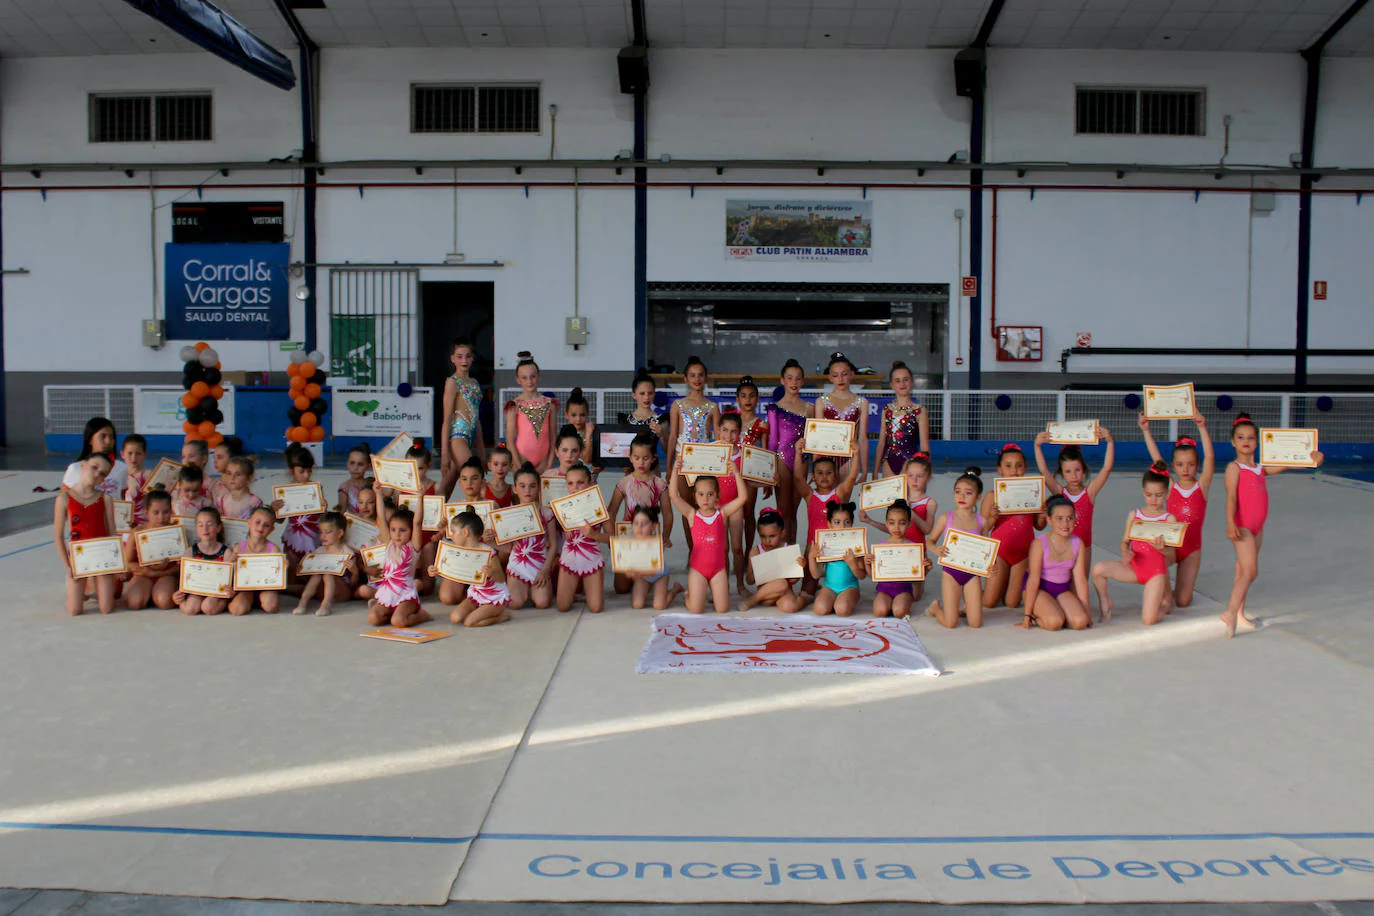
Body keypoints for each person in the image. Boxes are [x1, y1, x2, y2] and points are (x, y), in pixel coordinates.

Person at [1221, 412, 1323, 637]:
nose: (1246, 442)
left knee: (1242, 571)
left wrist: (1312, 459)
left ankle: (1239, 614)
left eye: (1250, 438)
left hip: (1258, 528)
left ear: (1257, 442)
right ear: (1233, 441)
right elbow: (1231, 497)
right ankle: (1229, 612)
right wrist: (1230, 523)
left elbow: (1286, 464)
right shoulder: (1234, 468)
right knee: (1250, 570)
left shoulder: (1259, 468)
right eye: (1241, 437)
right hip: (1243, 526)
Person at [1141, 409, 1215, 609]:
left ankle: (1170, 591)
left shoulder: (1202, 486)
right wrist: (1146, 431)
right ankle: (1160, 590)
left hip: (1191, 550)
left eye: (1191, 464)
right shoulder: (1171, 486)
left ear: (1197, 465)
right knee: (1164, 593)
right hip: (1170, 546)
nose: (1186, 469)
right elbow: (1156, 457)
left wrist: (1202, 427)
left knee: (1182, 601)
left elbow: (1210, 458)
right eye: (1180, 464)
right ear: (1173, 466)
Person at [1091, 462, 1179, 626]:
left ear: (1167, 493)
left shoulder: (1169, 519)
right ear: (1143, 492)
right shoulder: (1134, 515)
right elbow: (1124, 543)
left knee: (1148, 620)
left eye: (1159, 495)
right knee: (1098, 569)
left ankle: (1166, 604)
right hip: (1135, 568)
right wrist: (1125, 552)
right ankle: (1106, 602)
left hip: (1156, 572)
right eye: (1149, 494)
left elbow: (1172, 555)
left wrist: (1163, 549)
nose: (1153, 499)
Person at [667, 451, 750, 614]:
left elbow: (743, 498)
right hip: (698, 570)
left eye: (710, 494)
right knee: (696, 609)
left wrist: (736, 473)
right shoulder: (692, 515)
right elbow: (674, 496)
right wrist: (675, 471)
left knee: (722, 609)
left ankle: (708, 589)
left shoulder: (722, 514)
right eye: (701, 494)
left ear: (717, 496)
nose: (705, 499)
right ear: (695, 496)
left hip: (718, 570)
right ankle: (684, 592)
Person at [1033, 424, 1115, 579]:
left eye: (1077, 470)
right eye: (1068, 472)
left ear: (1083, 469)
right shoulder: (1060, 492)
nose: (1074, 476)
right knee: (1064, 583)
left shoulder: (1089, 492)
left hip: (1085, 546)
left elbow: (1106, 469)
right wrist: (1037, 446)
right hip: (1064, 546)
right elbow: (1044, 471)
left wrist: (1110, 442)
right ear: (1062, 473)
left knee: (1081, 582)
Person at [791, 441, 861, 601]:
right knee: (805, 594)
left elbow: (851, 477)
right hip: (814, 547)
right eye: (820, 473)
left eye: (829, 473)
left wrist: (856, 455)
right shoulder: (810, 495)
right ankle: (813, 587)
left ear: (835, 475)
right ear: (813, 476)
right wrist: (798, 453)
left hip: (837, 548)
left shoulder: (840, 493)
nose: (824, 477)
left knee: (838, 580)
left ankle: (835, 588)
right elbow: (797, 477)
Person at [924, 467, 992, 629]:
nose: (961, 496)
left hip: (971, 574)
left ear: (978, 497)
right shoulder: (946, 517)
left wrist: (989, 564)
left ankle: (966, 607)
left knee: (975, 623)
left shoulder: (982, 521)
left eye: (968, 493)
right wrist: (936, 549)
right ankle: (935, 608)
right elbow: (930, 541)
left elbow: (985, 549)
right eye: (958, 492)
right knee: (950, 623)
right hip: (951, 573)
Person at [981, 443, 1045, 609]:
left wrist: (1043, 514)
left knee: (1012, 603)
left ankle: (1005, 583)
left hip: (1023, 554)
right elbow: (982, 528)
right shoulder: (992, 496)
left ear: (1025, 468)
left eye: (1019, 466)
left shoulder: (1034, 494)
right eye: (1008, 466)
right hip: (1000, 552)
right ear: (1000, 469)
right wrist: (993, 518)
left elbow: (1039, 526)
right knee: (989, 602)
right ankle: (974, 591)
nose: (1013, 471)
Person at [666, 355, 720, 549]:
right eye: (692, 375)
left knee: (704, 506)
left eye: (700, 375)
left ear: (705, 378)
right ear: (685, 379)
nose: (697, 379)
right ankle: (693, 550)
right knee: (686, 507)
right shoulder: (677, 405)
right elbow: (673, 436)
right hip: (682, 461)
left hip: (704, 464)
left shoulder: (713, 407)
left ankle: (705, 547)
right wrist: (669, 466)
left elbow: (719, 439)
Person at [607, 432, 672, 595]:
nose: (641, 462)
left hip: (649, 539)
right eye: (636, 457)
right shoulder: (624, 483)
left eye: (645, 458)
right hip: (627, 537)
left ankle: (650, 579)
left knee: (643, 587)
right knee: (621, 589)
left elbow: (668, 514)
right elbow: (611, 512)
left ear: (653, 458)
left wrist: (664, 537)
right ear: (630, 457)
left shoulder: (659, 484)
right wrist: (611, 538)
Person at [1017, 495, 1091, 631]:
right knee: (1054, 622)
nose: (1065, 524)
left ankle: (1057, 609)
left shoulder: (1078, 543)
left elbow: (1080, 580)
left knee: (1080, 622)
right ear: (1049, 520)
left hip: (1062, 589)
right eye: (1060, 519)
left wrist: (1087, 612)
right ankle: (1039, 615)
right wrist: (1027, 614)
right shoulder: (1039, 544)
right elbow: (1033, 580)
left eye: (1070, 518)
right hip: (1040, 588)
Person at [55, 451, 117, 616]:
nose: (96, 474)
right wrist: (68, 566)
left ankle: (97, 591)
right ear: (83, 466)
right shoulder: (64, 498)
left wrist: (117, 563)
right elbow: (58, 536)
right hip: (78, 559)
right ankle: (79, 591)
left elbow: (112, 532)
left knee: (106, 608)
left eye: (102, 473)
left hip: (102, 557)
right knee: (74, 610)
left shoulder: (105, 499)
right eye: (94, 468)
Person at [366, 482, 430, 628]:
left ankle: (422, 615)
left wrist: (420, 497)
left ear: (411, 531)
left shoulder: (413, 547)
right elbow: (381, 518)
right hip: (388, 594)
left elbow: (417, 523)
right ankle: (390, 612)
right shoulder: (389, 543)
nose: (397, 534)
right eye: (393, 530)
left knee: (398, 622)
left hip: (405, 596)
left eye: (403, 530)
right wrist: (378, 494)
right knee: (373, 618)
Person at [441, 510, 512, 628]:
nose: (451, 536)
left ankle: (501, 615)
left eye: (453, 532)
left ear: (465, 532)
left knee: (469, 622)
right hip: (476, 594)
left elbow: (501, 578)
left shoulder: (488, 552)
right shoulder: (461, 551)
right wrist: (435, 570)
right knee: (455, 617)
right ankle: (482, 610)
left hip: (493, 597)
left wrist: (491, 573)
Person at [555, 463, 609, 613]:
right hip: (570, 558)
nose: (575, 487)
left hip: (592, 558)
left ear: (590, 482)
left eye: (580, 482)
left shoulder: (600, 507)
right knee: (562, 607)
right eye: (570, 483)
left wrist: (594, 535)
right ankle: (578, 592)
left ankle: (590, 591)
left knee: (596, 607)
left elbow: (612, 538)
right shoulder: (563, 507)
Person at [767, 358, 810, 543]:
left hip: (803, 459)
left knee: (794, 511)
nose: (794, 382)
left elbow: (815, 440)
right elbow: (772, 441)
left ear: (802, 381)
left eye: (798, 378)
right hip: (782, 459)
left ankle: (792, 551)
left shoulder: (810, 408)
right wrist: (771, 469)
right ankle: (783, 552)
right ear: (782, 380)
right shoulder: (775, 409)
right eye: (790, 378)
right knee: (784, 511)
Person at [861, 453, 937, 557]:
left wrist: (910, 511)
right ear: (905, 475)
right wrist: (869, 521)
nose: (914, 480)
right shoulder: (897, 498)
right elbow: (892, 528)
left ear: (928, 477)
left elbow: (927, 529)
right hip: (896, 549)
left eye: (919, 476)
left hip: (916, 551)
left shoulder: (930, 502)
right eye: (910, 475)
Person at [505, 463, 558, 610]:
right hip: (518, 565)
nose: (527, 490)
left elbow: (553, 544)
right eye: (522, 486)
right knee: (515, 604)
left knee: (542, 603)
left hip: (540, 564)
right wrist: (490, 540)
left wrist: (545, 570)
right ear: (514, 489)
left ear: (539, 488)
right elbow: (508, 546)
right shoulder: (508, 514)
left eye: (532, 486)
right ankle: (519, 586)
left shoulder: (547, 513)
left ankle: (537, 589)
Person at [866, 498, 929, 618]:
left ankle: (903, 605)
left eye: (902, 523)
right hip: (884, 589)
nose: (896, 527)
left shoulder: (913, 548)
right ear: (886, 524)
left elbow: (917, 577)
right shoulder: (880, 547)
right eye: (892, 523)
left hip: (904, 589)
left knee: (899, 612)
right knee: (880, 611)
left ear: (909, 524)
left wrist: (926, 568)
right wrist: (868, 564)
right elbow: (872, 575)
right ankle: (890, 603)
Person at [812, 351, 869, 481]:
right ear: (830, 377)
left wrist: (865, 470)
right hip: (826, 457)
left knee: (843, 499)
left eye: (844, 374)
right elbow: (818, 436)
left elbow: (863, 437)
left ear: (852, 374)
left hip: (849, 458)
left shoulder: (862, 402)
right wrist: (816, 464)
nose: (840, 379)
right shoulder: (821, 402)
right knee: (828, 499)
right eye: (836, 375)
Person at [441, 337, 485, 497]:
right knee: (475, 477)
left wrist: (482, 451)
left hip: (471, 435)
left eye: (467, 356)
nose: (464, 360)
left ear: (472, 358)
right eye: (459, 356)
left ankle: (432, 512)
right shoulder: (452, 382)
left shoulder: (474, 383)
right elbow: (447, 419)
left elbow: (476, 418)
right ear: (452, 359)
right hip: (458, 436)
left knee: (448, 483)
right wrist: (445, 453)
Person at [807, 501, 867, 617]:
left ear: (852, 523)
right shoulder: (825, 545)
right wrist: (811, 558)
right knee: (820, 609)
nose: (842, 527)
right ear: (829, 524)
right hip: (829, 587)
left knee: (842, 610)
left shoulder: (856, 545)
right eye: (837, 522)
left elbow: (862, 575)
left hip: (849, 587)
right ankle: (834, 600)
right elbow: (816, 575)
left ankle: (843, 601)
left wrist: (852, 564)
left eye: (847, 522)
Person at [123, 489, 179, 611]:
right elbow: (127, 563)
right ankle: (147, 593)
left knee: (164, 602)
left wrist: (162, 572)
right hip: (144, 574)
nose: (161, 517)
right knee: (134, 604)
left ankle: (156, 594)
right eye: (156, 512)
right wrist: (146, 571)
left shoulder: (177, 532)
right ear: (147, 512)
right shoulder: (137, 532)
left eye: (166, 512)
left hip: (168, 574)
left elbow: (183, 564)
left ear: (171, 511)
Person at [740, 508, 805, 614]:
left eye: (772, 536)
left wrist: (800, 567)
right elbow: (749, 581)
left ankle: (805, 599)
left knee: (790, 606)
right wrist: (758, 569)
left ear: (783, 533)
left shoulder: (787, 549)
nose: (767, 541)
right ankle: (752, 601)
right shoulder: (756, 551)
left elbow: (792, 581)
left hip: (784, 591)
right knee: (781, 583)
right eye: (763, 536)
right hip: (765, 594)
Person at [715, 410, 751, 596]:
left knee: (737, 548)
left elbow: (753, 479)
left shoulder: (744, 454)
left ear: (739, 433)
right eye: (725, 430)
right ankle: (723, 587)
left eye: (733, 431)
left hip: (735, 504)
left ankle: (740, 584)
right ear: (718, 430)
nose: (728, 436)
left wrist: (770, 477)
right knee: (722, 548)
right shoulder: (712, 451)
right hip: (717, 507)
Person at [733, 375, 769, 557]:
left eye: (752, 396)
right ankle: (732, 550)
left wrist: (767, 480)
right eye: (744, 396)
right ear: (737, 399)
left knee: (748, 513)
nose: (748, 400)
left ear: (758, 399)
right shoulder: (731, 422)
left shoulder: (761, 424)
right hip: (730, 472)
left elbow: (764, 454)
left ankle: (748, 551)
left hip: (749, 474)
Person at [622, 506, 685, 611]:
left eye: (644, 523)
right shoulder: (629, 544)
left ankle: (675, 589)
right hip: (642, 576)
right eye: (636, 523)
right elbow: (628, 568)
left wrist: (666, 543)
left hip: (659, 575)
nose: (640, 527)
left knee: (660, 606)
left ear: (653, 526)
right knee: (637, 604)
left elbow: (665, 545)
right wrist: (630, 572)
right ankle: (645, 591)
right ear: (632, 526)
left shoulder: (656, 542)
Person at [874, 361, 930, 478]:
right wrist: (875, 471)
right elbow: (881, 442)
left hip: (910, 461)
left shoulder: (919, 410)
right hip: (888, 462)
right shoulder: (887, 410)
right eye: (897, 381)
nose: (902, 384)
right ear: (892, 385)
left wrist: (925, 472)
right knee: (889, 496)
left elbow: (924, 445)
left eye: (906, 379)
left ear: (912, 382)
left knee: (907, 496)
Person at [295, 512, 357, 617]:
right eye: (321, 532)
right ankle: (303, 602)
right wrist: (303, 567)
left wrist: (355, 571)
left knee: (328, 574)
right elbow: (308, 574)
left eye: (327, 532)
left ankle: (326, 605)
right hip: (322, 590)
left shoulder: (347, 553)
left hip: (341, 592)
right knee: (316, 575)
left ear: (340, 533)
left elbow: (353, 583)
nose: (323, 536)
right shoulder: (320, 550)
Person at [504, 352, 557, 473]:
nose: (529, 381)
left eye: (533, 376)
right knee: (524, 491)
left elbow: (553, 436)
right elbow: (510, 440)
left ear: (539, 376)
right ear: (518, 380)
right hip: (521, 458)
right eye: (524, 377)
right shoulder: (514, 405)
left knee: (542, 491)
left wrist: (549, 462)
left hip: (543, 459)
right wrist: (517, 464)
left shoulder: (550, 403)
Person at [174, 507, 231, 616]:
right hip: (197, 589)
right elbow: (185, 578)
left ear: (218, 528)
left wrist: (228, 593)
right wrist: (179, 596)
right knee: (190, 609)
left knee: (208, 608)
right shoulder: (190, 551)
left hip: (216, 591)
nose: (205, 529)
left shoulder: (226, 552)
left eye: (210, 524)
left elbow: (227, 579)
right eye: (200, 525)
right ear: (196, 529)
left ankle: (224, 602)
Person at [227, 507, 283, 616]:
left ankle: (260, 601)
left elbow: (276, 575)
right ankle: (247, 601)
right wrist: (231, 564)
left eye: (266, 525)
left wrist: (282, 567)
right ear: (249, 523)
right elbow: (231, 573)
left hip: (265, 587)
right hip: (245, 589)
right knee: (237, 610)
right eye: (257, 522)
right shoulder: (239, 548)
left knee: (271, 606)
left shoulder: (273, 549)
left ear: (272, 529)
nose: (260, 527)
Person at [276, 444, 323, 565]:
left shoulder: (316, 488)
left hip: (313, 536)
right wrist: (275, 509)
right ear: (292, 470)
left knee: (312, 569)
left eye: (309, 471)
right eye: (301, 472)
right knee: (292, 568)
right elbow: (280, 520)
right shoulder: (285, 491)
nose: (306, 475)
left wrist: (324, 508)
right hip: (293, 536)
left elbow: (322, 517)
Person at [62, 417, 127, 498]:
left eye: (111, 437)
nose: (108, 441)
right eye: (103, 436)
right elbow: (63, 501)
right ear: (90, 439)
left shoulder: (123, 468)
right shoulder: (75, 468)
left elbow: (127, 500)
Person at [621, 370, 667, 453]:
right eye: (642, 393)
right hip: (629, 465)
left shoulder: (661, 419)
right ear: (634, 395)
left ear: (654, 394)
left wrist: (662, 436)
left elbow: (667, 450)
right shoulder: (624, 420)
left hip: (653, 465)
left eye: (650, 393)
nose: (646, 397)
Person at [215, 456, 262, 520]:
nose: (232, 478)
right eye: (229, 473)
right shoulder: (221, 500)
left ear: (249, 478)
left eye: (238, 474)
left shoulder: (254, 502)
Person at [120, 434, 150, 525]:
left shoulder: (148, 476)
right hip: (122, 524)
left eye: (138, 453)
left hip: (143, 524)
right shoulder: (118, 475)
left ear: (145, 454)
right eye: (130, 453)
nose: (133, 458)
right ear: (122, 454)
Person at [564, 387, 597, 466]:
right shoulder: (565, 434)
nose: (578, 419)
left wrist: (600, 466)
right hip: (570, 475)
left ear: (587, 413)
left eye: (582, 415)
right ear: (566, 415)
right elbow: (586, 459)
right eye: (574, 415)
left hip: (590, 475)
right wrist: (588, 436)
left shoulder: (593, 432)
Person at [337, 443, 372, 513]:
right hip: (354, 523)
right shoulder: (345, 487)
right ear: (347, 463)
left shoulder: (372, 483)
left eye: (360, 464)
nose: (355, 468)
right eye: (352, 463)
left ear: (368, 466)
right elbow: (340, 514)